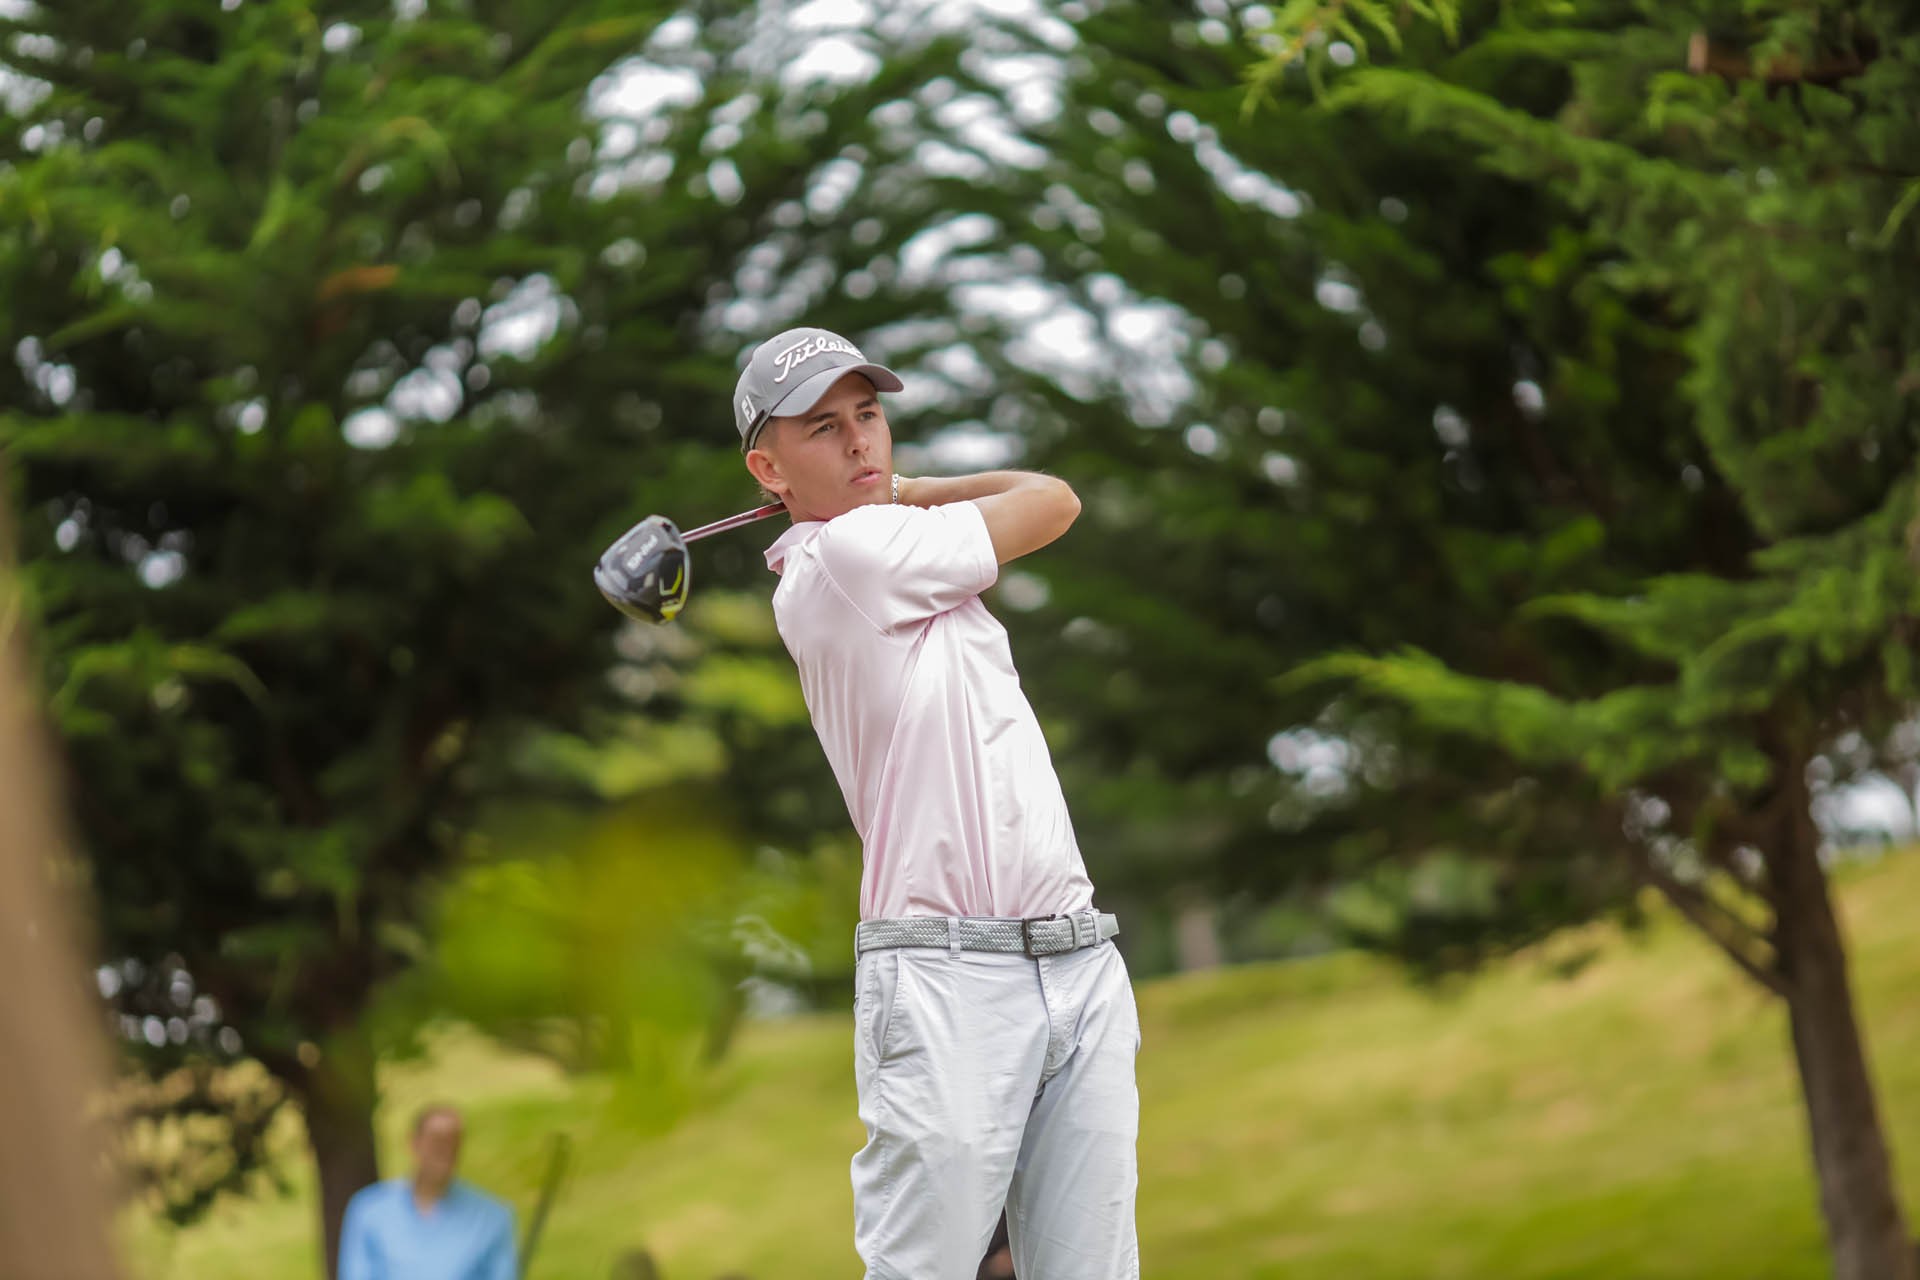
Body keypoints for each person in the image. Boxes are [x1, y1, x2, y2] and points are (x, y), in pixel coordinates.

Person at [737, 327, 1141, 1280]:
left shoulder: (889, 544)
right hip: (948, 974)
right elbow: (1052, 499)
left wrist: (906, 494)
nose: (860, 442)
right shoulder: (853, 553)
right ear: (769, 469)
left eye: (869, 415)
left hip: (1078, 954)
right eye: (824, 428)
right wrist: (918, 491)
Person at [338, 1104, 517, 1280]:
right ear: (415, 1143)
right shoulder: (369, 1209)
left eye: (453, 1141)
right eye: (437, 1140)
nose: (445, 1150)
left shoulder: (492, 1217)